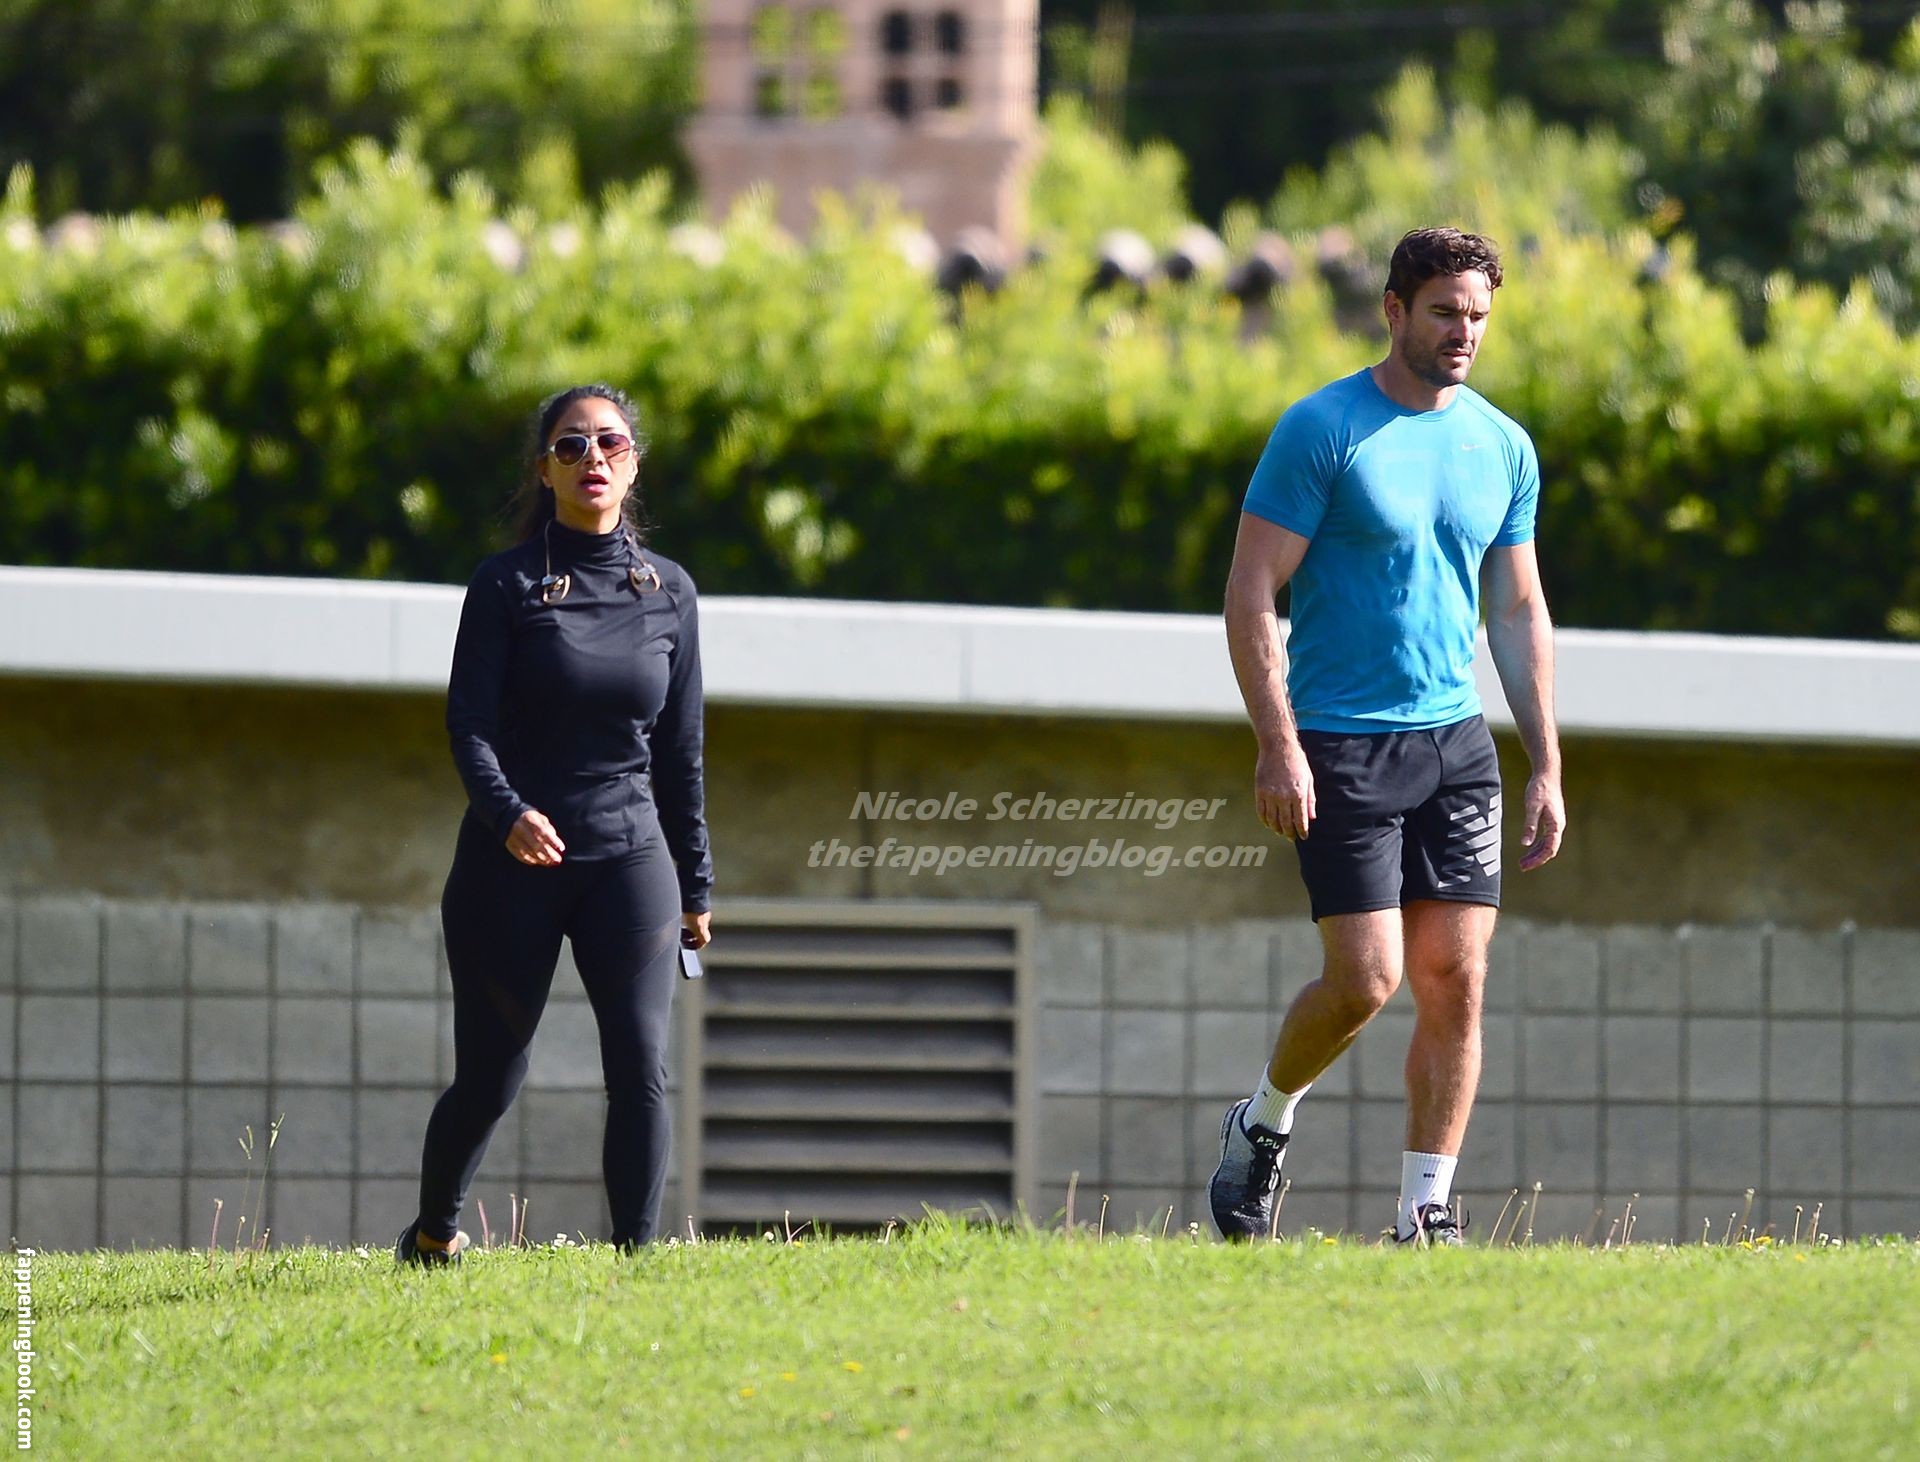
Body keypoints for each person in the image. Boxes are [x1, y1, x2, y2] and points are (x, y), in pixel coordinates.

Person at [1210, 227, 1564, 1246]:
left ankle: (1424, 1212)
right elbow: (1251, 590)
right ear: (1396, 310)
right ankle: (1262, 1121)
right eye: (1445, 311)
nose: (1465, 332)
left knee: (1459, 977)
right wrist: (1278, 743)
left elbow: (1517, 609)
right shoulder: (1323, 429)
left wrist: (1546, 762)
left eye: (1479, 316)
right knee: (1367, 979)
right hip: (1340, 743)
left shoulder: (1503, 446)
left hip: (1455, 747)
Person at [397, 384, 714, 1264]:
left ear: (634, 463)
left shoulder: (671, 593)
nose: (592, 460)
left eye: (609, 443)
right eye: (570, 446)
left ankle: (634, 1265)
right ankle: (433, 1236)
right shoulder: (504, 584)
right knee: (491, 1076)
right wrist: (508, 814)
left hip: (630, 857)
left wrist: (696, 884)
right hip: (512, 865)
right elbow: (469, 728)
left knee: (640, 1067)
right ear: (545, 471)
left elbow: (680, 753)